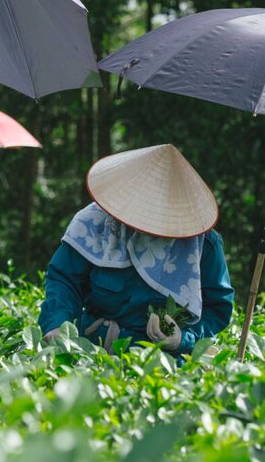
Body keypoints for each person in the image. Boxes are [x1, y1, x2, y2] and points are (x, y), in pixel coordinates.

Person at [38, 144, 234, 356]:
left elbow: (217, 308)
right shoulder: (95, 223)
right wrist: (57, 324)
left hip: (158, 360)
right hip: (91, 348)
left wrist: (182, 340)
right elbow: (65, 279)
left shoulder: (202, 245)